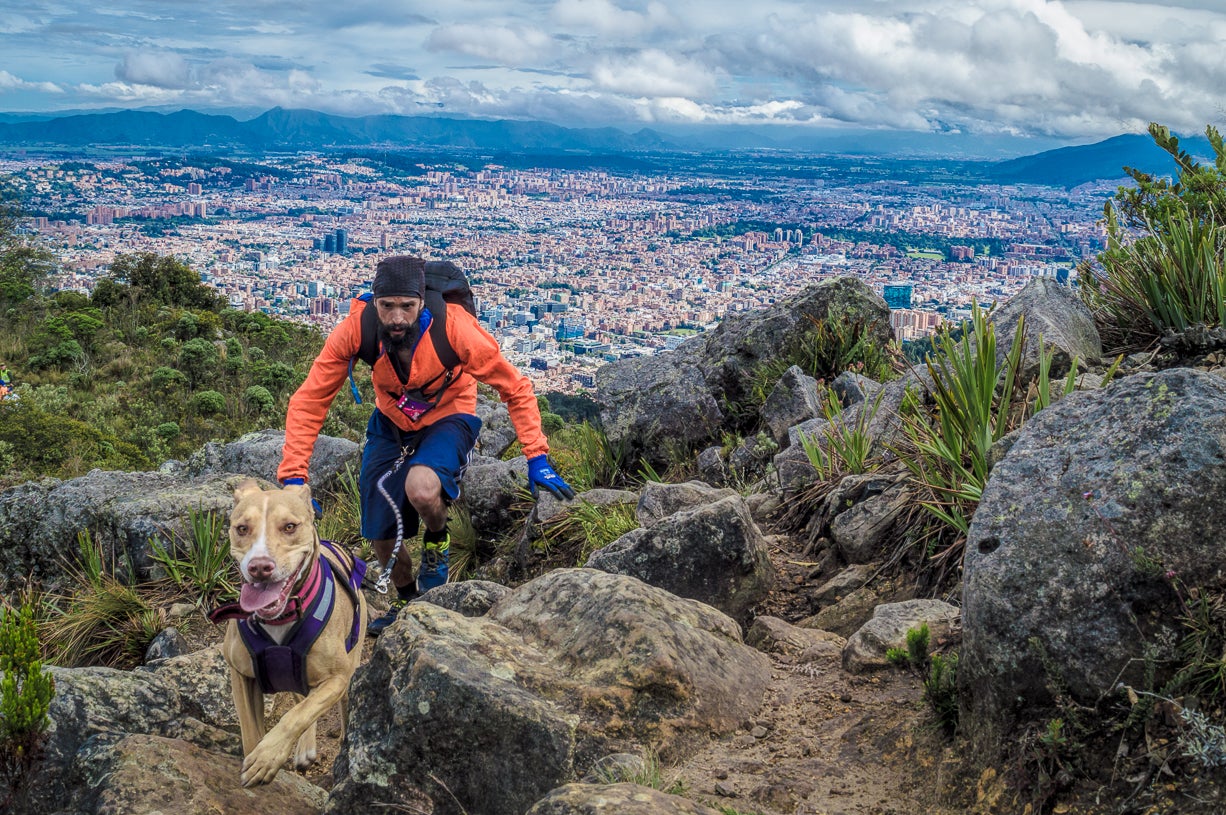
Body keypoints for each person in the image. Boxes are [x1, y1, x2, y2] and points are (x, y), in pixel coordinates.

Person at [278, 255, 574, 636]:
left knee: (420, 487)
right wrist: (294, 476)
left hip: (451, 415)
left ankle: (437, 539)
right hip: (391, 421)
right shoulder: (357, 329)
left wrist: (537, 455)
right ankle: (405, 598)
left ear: (421, 302)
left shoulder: (455, 328)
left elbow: (514, 386)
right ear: (374, 302)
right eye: (387, 306)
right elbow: (309, 400)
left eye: (407, 306)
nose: (397, 318)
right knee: (378, 526)